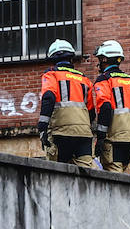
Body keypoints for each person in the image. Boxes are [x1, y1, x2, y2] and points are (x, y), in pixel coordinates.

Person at [89, 39, 130, 172]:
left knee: (115, 180)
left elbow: (105, 108)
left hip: (113, 139)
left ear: (104, 60)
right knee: (123, 174)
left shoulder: (104, 80)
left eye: (99, 59)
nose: (98, 63)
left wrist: (101, 137)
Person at [37, 39, 94, 167]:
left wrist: (42, 127)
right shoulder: (84, 79)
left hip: (61, 132)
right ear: (71, 58)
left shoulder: (51, 74)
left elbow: (48, 98)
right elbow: (91, 111)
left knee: (58, 174)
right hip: (84, 134)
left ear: (53, 59)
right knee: (87, 176)